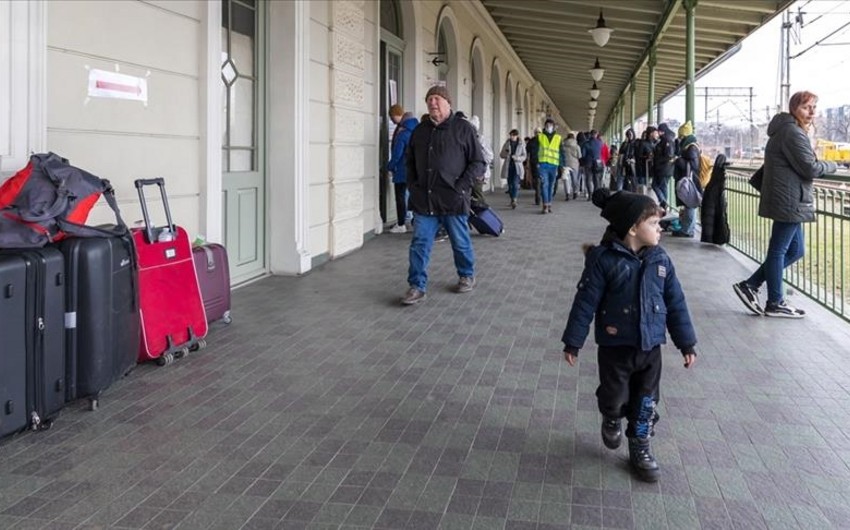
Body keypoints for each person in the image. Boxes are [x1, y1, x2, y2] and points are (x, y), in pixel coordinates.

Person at [560, 188, 698, 483]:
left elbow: (676, 303)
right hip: (615, 348)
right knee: (614, 396)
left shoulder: (661, 261)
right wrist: (573, 340)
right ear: (633, 228)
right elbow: (585, 302)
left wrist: (686, 342)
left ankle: (641, 446)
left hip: (650, 349)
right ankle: (611, 415)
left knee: (646, 401)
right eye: (653, 223)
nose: (660, 228)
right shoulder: (603, 260)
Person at [732, 90, 837, 318]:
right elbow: (809, 168)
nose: (811, 112)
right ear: (794, 108)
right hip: (790, 199)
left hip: (788, 197)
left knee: (796, 250)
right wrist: (832, 165)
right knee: (779, 250)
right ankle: (775, 301)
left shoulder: (785, 130)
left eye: (814, 107)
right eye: (806, 107)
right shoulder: (792, 132)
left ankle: (751, 284)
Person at [400, 85, 485, 305]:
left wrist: (462, 187)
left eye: (437, 98)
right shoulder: (420, 130)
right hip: (424, 200)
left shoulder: (463, 129)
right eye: (429, 99)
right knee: (419, 243)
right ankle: (416, 286)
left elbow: (478, 162)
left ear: (448, 103)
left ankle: (466, 274)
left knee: (460, 242)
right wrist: (413, 185)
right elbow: (409, 162)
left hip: (453, 199)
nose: (433, 103)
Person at [386, 104, 418, 233]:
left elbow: (397, 154)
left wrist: (390, 166)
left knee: (400, 197)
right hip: (414, 169)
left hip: (401, 170)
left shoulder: (402, 134)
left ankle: (401, 224)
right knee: (415, 197)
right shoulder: (417, 131)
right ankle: (418, 221)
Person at [671, 121, 701, 238]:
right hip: (688, 179)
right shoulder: (688, 146)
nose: (679, 138)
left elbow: (693, 165)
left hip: (690, 180)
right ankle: (688, 229)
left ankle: (687, 230)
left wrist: (678, 160)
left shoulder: (692, 147)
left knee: (689, 204)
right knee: (688, 204)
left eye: (681, 136)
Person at [536, 118, 566, 213]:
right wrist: (536, 162)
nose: (549, 127)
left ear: (553, 127)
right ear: (545, 126)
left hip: (554, 165)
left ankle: (549, 204)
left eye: (550, 125)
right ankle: (545, 205)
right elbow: (535, 150)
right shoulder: (540, 137)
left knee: (551, 186)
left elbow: (561, 152)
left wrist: (562, 165)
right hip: (543, 164)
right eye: (547, 125)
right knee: (544, 184)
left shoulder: (558, 138)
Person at [468, 115, 494, 207]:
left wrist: (481, 171)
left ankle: (484, 211)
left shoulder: (481, 140)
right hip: (469, 173)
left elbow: (488, 156)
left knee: (478, 195)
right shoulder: (467, 139)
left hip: (478, 173)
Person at [500, 129, 526, 209]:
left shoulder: (521, 144)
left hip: (517, 167)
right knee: (510, 185)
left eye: (513, 135)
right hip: (509, 166)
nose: (512, 137)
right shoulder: (507, 143)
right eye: (511, 135)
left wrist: (517, 158)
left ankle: (514, 200)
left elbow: (524, 156)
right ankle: (512, 199)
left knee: (515, 184)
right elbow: (501, 155)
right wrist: (506, 153)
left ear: (517, 136)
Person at [652, 123, 676, 210]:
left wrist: (657, 160)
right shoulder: (664, 140)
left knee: (661, 186)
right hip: (662, 168)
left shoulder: (667, 140)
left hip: (664, 168)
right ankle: (663, 203)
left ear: (662, 131)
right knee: (657, 185)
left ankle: (664, 203)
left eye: (659, 131)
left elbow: (669, 155)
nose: (658, 133)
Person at [563, 132, 581, 200]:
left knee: (566, 180)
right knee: (574, 179)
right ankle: (575, 193)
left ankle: (567, 194)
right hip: (574, 164)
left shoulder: (563, 145)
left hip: (566, 164)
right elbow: (579, 156)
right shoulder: (577, 146)